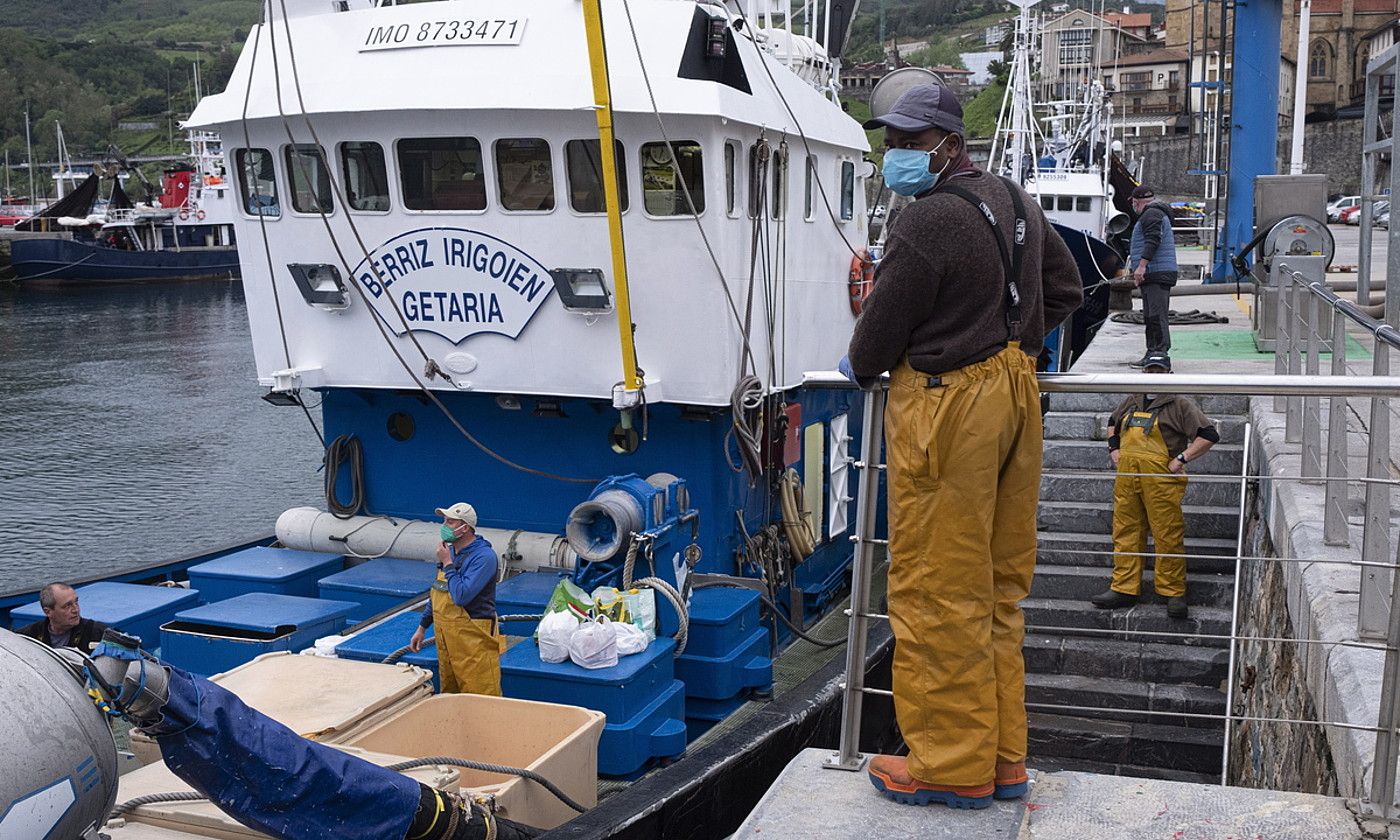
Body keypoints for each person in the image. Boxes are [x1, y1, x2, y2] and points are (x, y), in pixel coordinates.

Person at [846, 81, 1084, 809]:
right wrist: (1010, 338)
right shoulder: (1014, 200)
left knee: (935, 592)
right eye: (890, 142)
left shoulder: (926, 224)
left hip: (948, 405)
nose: (896, 155)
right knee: (997, 589)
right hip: (1016, 394)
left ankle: (950, 766)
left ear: (950, 144)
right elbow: (1068, 290)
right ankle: (1004, 758)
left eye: (909, 143)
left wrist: (946, 332)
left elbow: (868, 352)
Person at [1091, 353, 1220, 619]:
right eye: (1149, 371)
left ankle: (1173, 591)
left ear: (1169, 374)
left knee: (1167, 533)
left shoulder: (1180, 404)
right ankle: (1123, 587)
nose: (1153, 376)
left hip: (1161, 480)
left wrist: (1182, 459)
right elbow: (1113, 423)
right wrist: (1114, 450)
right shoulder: (1132, 399)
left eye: (1159, 371)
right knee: (1125, 531)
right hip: (1127, 478)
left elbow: (1208, 435)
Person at [408, 502, 503, 695]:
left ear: (465, 527)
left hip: (474, 642)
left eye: (450, 522)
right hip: (448, 641)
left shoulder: (484, 557)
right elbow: (438, 591)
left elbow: (462, 596)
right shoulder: (450, 551)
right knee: (450, 694)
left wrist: (448, 564)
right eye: (444, 521)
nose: (444, 526)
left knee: (481, 698)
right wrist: (422, 627)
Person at [1127, 185, 1179, 367]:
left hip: (1157, 273)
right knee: (1151, 316)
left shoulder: (1151, 214)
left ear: (1137, 201)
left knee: (1156, 316)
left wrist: (1141, 266)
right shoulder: (1155, 213)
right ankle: (1153, 352)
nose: (1133, 206)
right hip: (1155, 273)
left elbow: (1152, 240)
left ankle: (1159, 354)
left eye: (1133, 202)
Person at [17, 583, 108, 650]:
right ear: (48, 612)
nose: (75, 610)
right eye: (67, 606)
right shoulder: (28, 636)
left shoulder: (97, 632)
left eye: (76, 602)